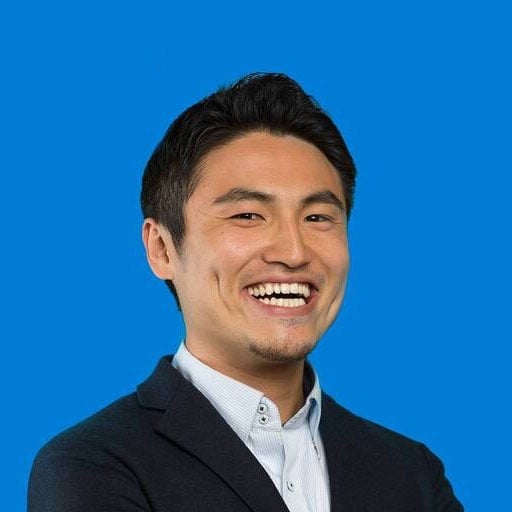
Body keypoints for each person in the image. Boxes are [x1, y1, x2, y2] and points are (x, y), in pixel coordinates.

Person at [28, 73, 463, 511]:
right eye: (248, 215)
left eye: (317, 218)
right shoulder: (93, 466)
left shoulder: (411, 474)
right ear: (162, 248)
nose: (294, 252)